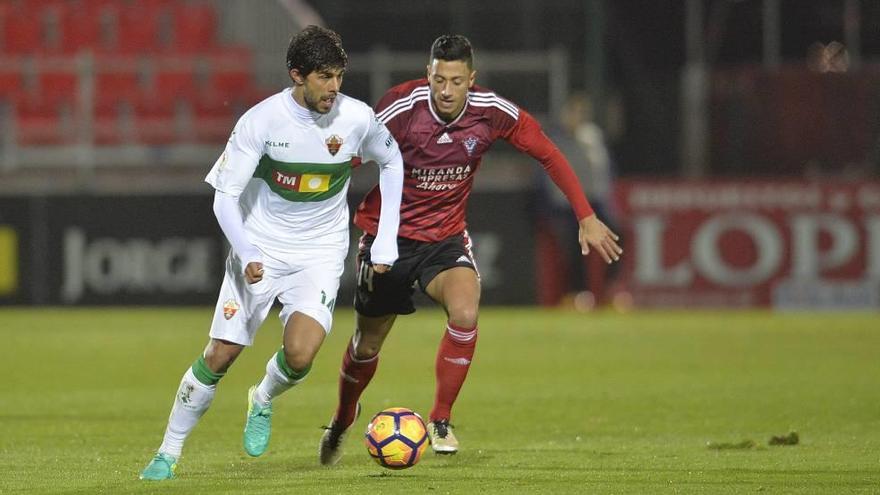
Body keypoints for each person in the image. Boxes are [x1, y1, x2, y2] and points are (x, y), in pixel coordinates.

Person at [318, 34, 622, 465]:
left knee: (465, 312)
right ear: (428, 75)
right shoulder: (401, 107)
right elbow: (346, 156)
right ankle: (343, 418)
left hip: (445, 240)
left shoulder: (492, 112)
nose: (445, 90)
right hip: (390, 241)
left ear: (471, 80)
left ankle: (441, 419)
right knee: (367, 346)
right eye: (439, 79)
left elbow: (548, 152)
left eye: (456, 81)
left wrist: (585, 215)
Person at [139, 25, 403, 480]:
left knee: (301, 356)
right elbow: (224, 198)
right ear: (297, 75)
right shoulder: (260, 122)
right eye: (324, 77)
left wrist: (386, 238)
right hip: (260, 245)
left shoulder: (355, 118)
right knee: (221, 353)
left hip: (319, 252)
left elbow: (392, 160)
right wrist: (246, 251)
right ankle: (168, 452)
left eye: (339, 76)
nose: (334, 87)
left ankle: (261, 398)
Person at [536, 91, 622, 310]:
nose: (576, 116)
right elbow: (546, 178)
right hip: (566, 206)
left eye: (580, 112)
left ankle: (611, 291)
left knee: (617, 235)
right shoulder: (554, 140)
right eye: (572, 112)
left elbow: (605, 170)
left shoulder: (593, 136)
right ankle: (578, 295)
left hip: (595, 203)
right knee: (577, 246)